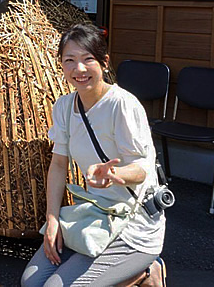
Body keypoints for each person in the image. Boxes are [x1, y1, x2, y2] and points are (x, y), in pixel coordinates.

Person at [21, 23, 166, 287]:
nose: (79, 69)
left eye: (88, 59)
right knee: (31, 283)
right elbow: (58, 164)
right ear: (61, 65)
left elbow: (142, 169)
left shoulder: (122, 105)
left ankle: (147, 271)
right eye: (70, 60)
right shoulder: (65, 107)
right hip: (95, 216)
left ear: (104, 62)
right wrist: (52, 219)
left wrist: (115, 174)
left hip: (134, 221)